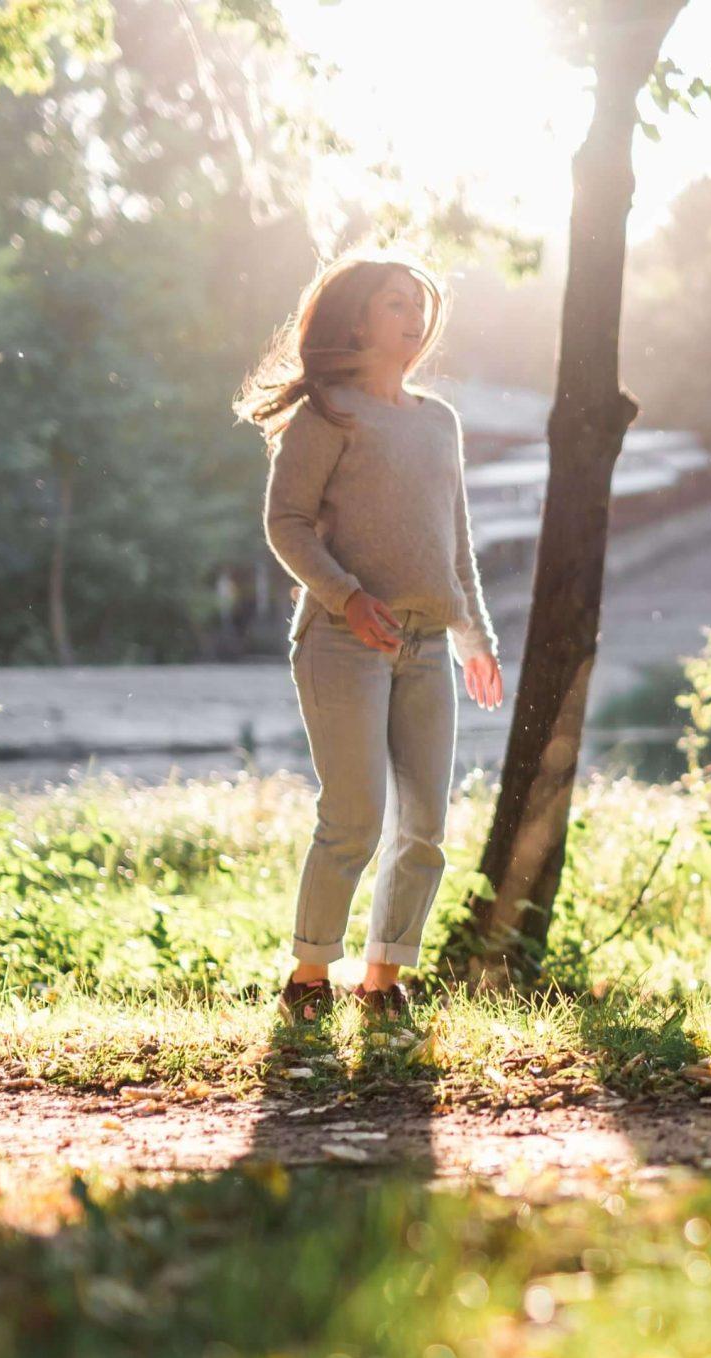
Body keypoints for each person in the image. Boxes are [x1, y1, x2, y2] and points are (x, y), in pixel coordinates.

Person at [233, 251, 505, 1025]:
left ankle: (383, 980)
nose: (412, 316)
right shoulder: (329, 413)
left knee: (424, 826)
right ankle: (309, 976)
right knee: (354, 815)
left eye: (419, 304)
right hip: (342, 640)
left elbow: (455, 545)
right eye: (394, 302)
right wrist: (347, 598)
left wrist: (472, 637)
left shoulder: (439, 422)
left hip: (426, 644)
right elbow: (284, 522)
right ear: (358, 318)